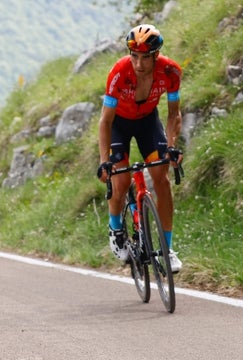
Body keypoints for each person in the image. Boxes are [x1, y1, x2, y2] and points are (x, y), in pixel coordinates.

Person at [96, 24, 183, 273]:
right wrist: (105, 161)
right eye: (134, 56)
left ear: (156, 55)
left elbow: (173, 113)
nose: (139, 63)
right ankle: (116, 228)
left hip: (148, 122)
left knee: (162, 180)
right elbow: (105, 121)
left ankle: (167, 250)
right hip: (118, 126)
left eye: (145, 57)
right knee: (121, 182)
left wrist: (172, 146)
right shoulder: (119, 72)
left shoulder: (170, 71)